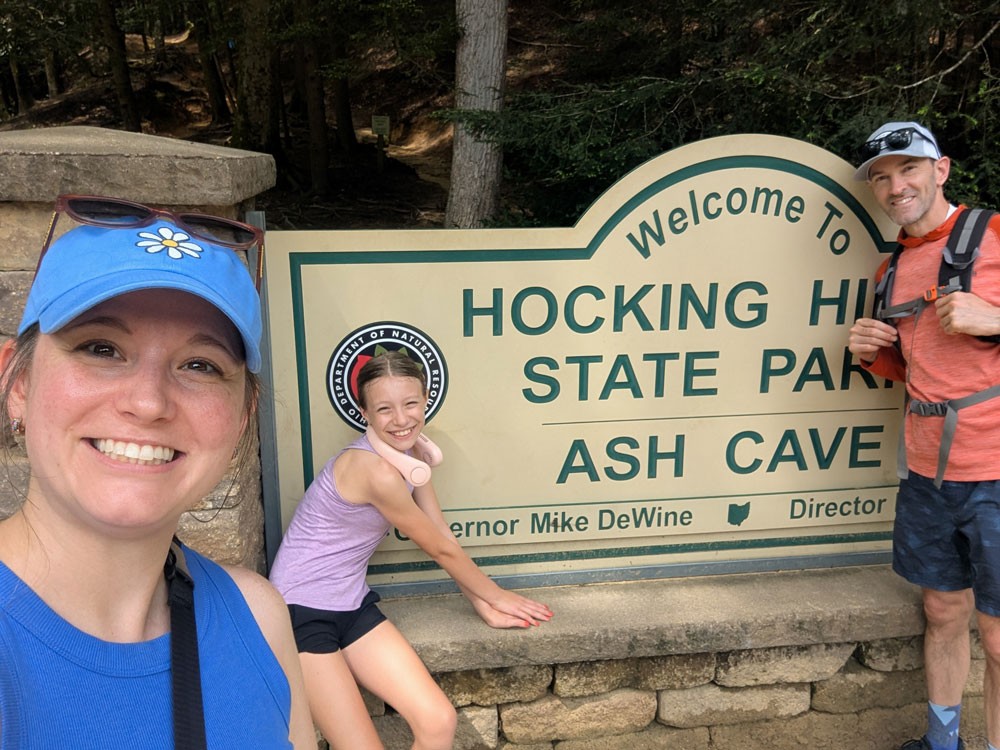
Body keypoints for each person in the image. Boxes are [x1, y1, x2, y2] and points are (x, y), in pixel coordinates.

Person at [0, 195, 315, 748]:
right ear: (18, 384)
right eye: (101, 348)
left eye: (201, 365)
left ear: (242, 417)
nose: (148, 403)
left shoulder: (259, 619)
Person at [269, 350, 554, 750]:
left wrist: (480, 603)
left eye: (410, 404)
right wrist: (499, 594)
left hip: (350, 605)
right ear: (365, 413)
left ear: (426, 401)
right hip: (300, 613)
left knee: (438, 722)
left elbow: (441, 533)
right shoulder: (375, 471)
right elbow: (438, 549)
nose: (401, 419)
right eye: (384, 409)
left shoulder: (410, 456)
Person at [848, 121, 1000, 750]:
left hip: (995, 470)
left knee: (997, 633)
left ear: (941, 169)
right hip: (929, 475)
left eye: (907, 169)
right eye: (881, 177)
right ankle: (943, 745)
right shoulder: (893, 268)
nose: (895, 186)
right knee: (941, 612)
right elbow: (916, 371)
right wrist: (870, 353)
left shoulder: (994, 234)